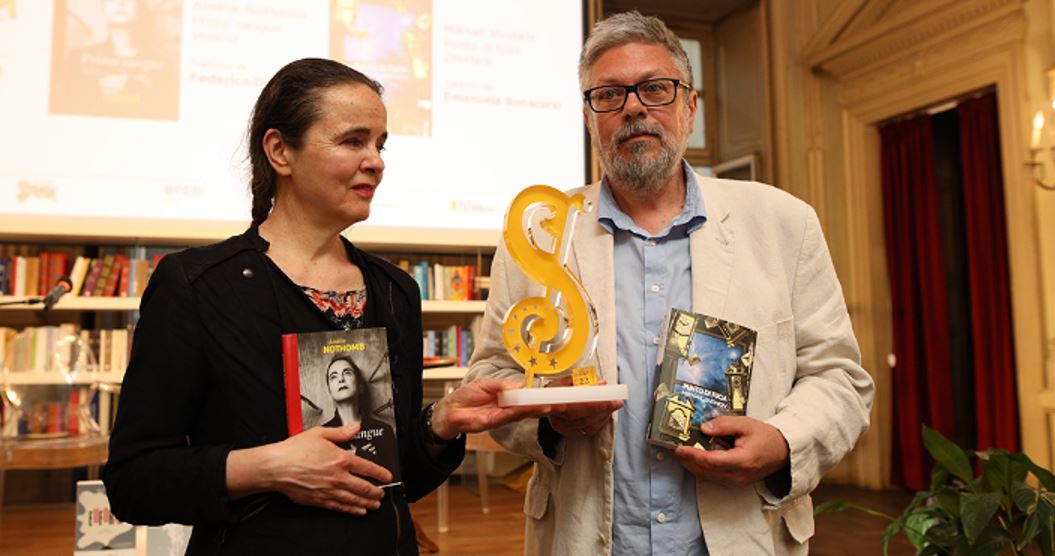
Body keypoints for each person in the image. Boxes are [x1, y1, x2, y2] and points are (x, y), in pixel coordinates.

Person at [102, 57, 556, 555]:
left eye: (380, 144)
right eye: (353, 141)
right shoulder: (197, 286)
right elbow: (134, 481)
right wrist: (270, 467)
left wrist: (440, 423)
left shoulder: (393, 291)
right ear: (279, 151)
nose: (376, 161)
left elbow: (387, 478)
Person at [464, 11, 875, 555]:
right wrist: (547, 416)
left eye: (656, 89)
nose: (634, 107)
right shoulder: (540, 235)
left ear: (690, 107)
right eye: (609, 95)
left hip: (739, 535)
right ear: (590, 119)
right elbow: (494, 375)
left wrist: (782, 442)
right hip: (590, 539)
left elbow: (839, 377)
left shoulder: (783, 223)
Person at [320, 354, 397, 469]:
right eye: (333, 377)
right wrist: (357, 456)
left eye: (347, 373)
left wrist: (355, 455)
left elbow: (394, 478)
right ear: (330, 391)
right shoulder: (322, 435)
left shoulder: (384, 431)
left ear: (360, 385)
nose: (341, 379)